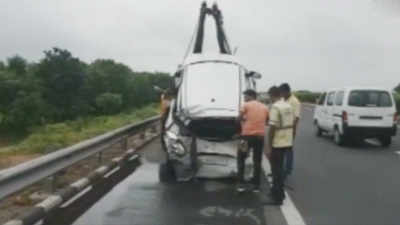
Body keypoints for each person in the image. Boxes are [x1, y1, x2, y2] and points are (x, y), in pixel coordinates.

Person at [264, 86, 295, 205]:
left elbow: (272, 128)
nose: (269, 98)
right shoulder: (288, 105)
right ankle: (278, 193)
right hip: (287, 141)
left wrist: (268, 146)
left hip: (278, 142)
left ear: (272, 95)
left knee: (276, 171)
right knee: (280, 169)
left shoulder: (275, 107)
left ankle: (277, 198)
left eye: (269, 96)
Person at [237, 89, 269, 193]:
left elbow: (238, 119)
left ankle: (241, 185)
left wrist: (243, 120)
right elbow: (267, 121)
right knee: (257, 161)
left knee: (241, 159)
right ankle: (256, 186)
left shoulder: (246, 105)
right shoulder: (265, 107)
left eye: (245, 96)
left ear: (251, 96)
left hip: (246, 137)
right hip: (259, 137)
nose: (244, 98)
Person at [279, 83, 300, 179]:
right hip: (281, 129)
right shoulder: (284, 99)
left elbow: (296, 118)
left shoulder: (294, 102)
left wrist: (293, 131)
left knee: (288, 150)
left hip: (289, 129)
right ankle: (280, 170)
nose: (281, 94)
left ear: (287, 91)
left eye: (282, 92)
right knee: (281, 151)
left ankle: (287, 171)